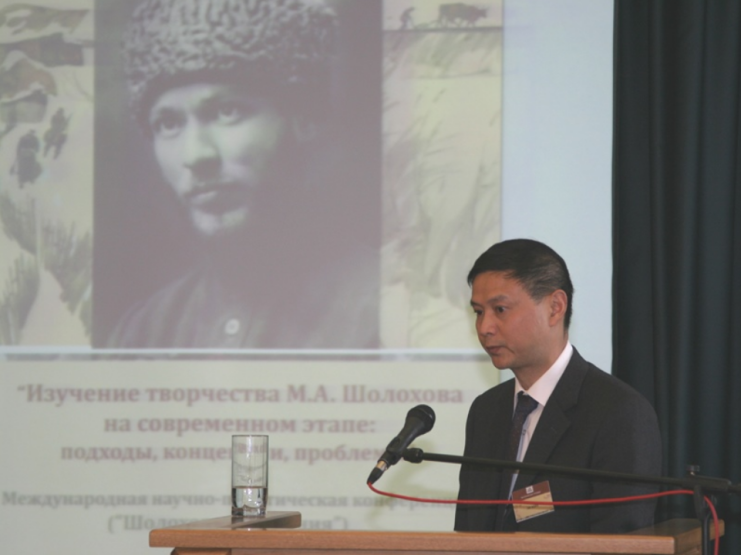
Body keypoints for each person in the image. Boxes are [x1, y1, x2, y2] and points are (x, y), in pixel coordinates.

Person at [106, 0, 378, 349]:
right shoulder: (143, 332)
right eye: (169, 123)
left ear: (303, 118)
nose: (196, 155)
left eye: (227, 111)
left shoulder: (389, 313)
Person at [455, 238, 662, 533]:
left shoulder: (619, 412)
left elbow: (622, 542)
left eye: (500, 309)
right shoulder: (486, 411)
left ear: (555, 307)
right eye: (478, 312)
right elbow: (467, 533)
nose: (484, 327)